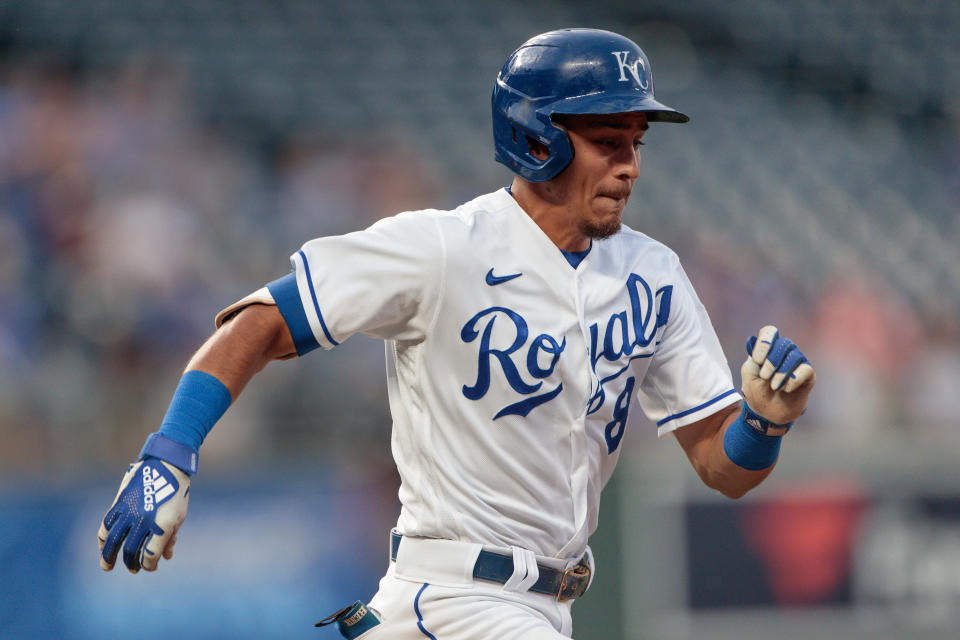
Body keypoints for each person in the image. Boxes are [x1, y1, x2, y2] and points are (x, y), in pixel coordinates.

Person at [97, 28, 815, 639]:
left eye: (635, 141)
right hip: (457, 597)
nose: (628, 164)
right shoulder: (444, 248)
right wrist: (170, 452)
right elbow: (260, 321)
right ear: (538, 138)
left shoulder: (653, 274)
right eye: (605, 140)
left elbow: (724, 467)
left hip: (537, 608)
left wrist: (765, 422)